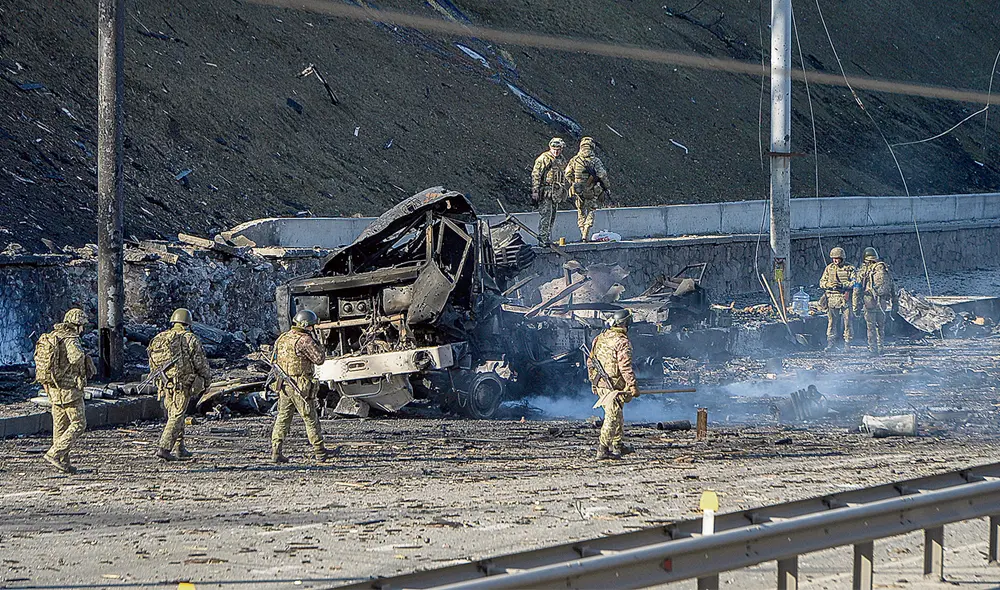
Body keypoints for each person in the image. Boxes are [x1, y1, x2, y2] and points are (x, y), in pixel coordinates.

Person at [34, 308, 96, 474]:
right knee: (78, 423)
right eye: (82, 325)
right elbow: (75, 357)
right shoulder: (71, 339)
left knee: (60, 427)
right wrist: (84, 360)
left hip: (54, 389)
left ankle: (63, 462)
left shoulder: (53, 336)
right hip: (70, 389)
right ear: (77, 325)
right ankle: (55, 453)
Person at [270, 309, 335, 463]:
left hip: (284, 384)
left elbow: (274, 360)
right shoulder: (305, 340)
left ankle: (276, 450)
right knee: (310, 417)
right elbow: (319, 359)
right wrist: (319, 342)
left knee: (282, 418)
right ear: (307, 326)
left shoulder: (282, 338)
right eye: (312, 326)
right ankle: (320, 451)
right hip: (300, 384)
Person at [148, 308, 212, 461]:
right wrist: (207, 379)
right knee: (176, 416)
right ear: (187, 323)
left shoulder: (160, 338)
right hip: (183, 383)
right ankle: (164, 448)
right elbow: (200, 363)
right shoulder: (190, 338)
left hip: (165, 383)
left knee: (176, 413)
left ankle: (179, 447)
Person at [588, 308, 639, 460]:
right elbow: (625, 366)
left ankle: (617, 445)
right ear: (625, 324)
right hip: (613, 385)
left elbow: (590, 362)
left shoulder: (599, 338)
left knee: (617, 413)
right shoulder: (622, 342)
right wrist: (633, 385)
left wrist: (593, 382)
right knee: (612, 415)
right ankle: (603, 448)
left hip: (601, 383)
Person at [564, 136, 611, 242]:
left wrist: (573, 182)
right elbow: (602, 174)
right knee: (591, 210)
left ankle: (582, 232)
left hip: (578, 190)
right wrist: (606, 187)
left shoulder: (574, 160)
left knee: (580, 211)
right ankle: (586, 232)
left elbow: (567, 173)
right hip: (591, 189)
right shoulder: (595, 160)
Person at [853, 247, 896, 355]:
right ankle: (881, 347)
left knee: (871, 327)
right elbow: (892, 287)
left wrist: (856, 306)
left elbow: (857, 289)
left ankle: (873, 348)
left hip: (869, 301)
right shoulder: (885, 269)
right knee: (881, 327)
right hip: (882, 302)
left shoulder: (864, 271)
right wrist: (895, 303)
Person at [531, 137, 567, 244]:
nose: (556, 151)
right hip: (546, 191)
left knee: (552, 216)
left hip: (556, 192)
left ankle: (547, 237)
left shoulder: (562, 159)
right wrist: (535, 190)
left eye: (558, 149)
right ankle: (543, 239)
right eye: (554, 149)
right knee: (546, 215)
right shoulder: (544, 158)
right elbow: (536, 174)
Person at [819, 247, 856, 350]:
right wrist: (829, 284)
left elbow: (855, 283)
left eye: (837, 258)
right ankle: (831, 343)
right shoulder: (829, 268)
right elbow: (821, 282)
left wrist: (842, 285)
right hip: (832, 298)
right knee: (831, 322)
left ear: (842, 258)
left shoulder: (850, 269)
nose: (835, 260)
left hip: (845, 298)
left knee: (847, 322)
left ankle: (848, 344)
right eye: (833, 258)